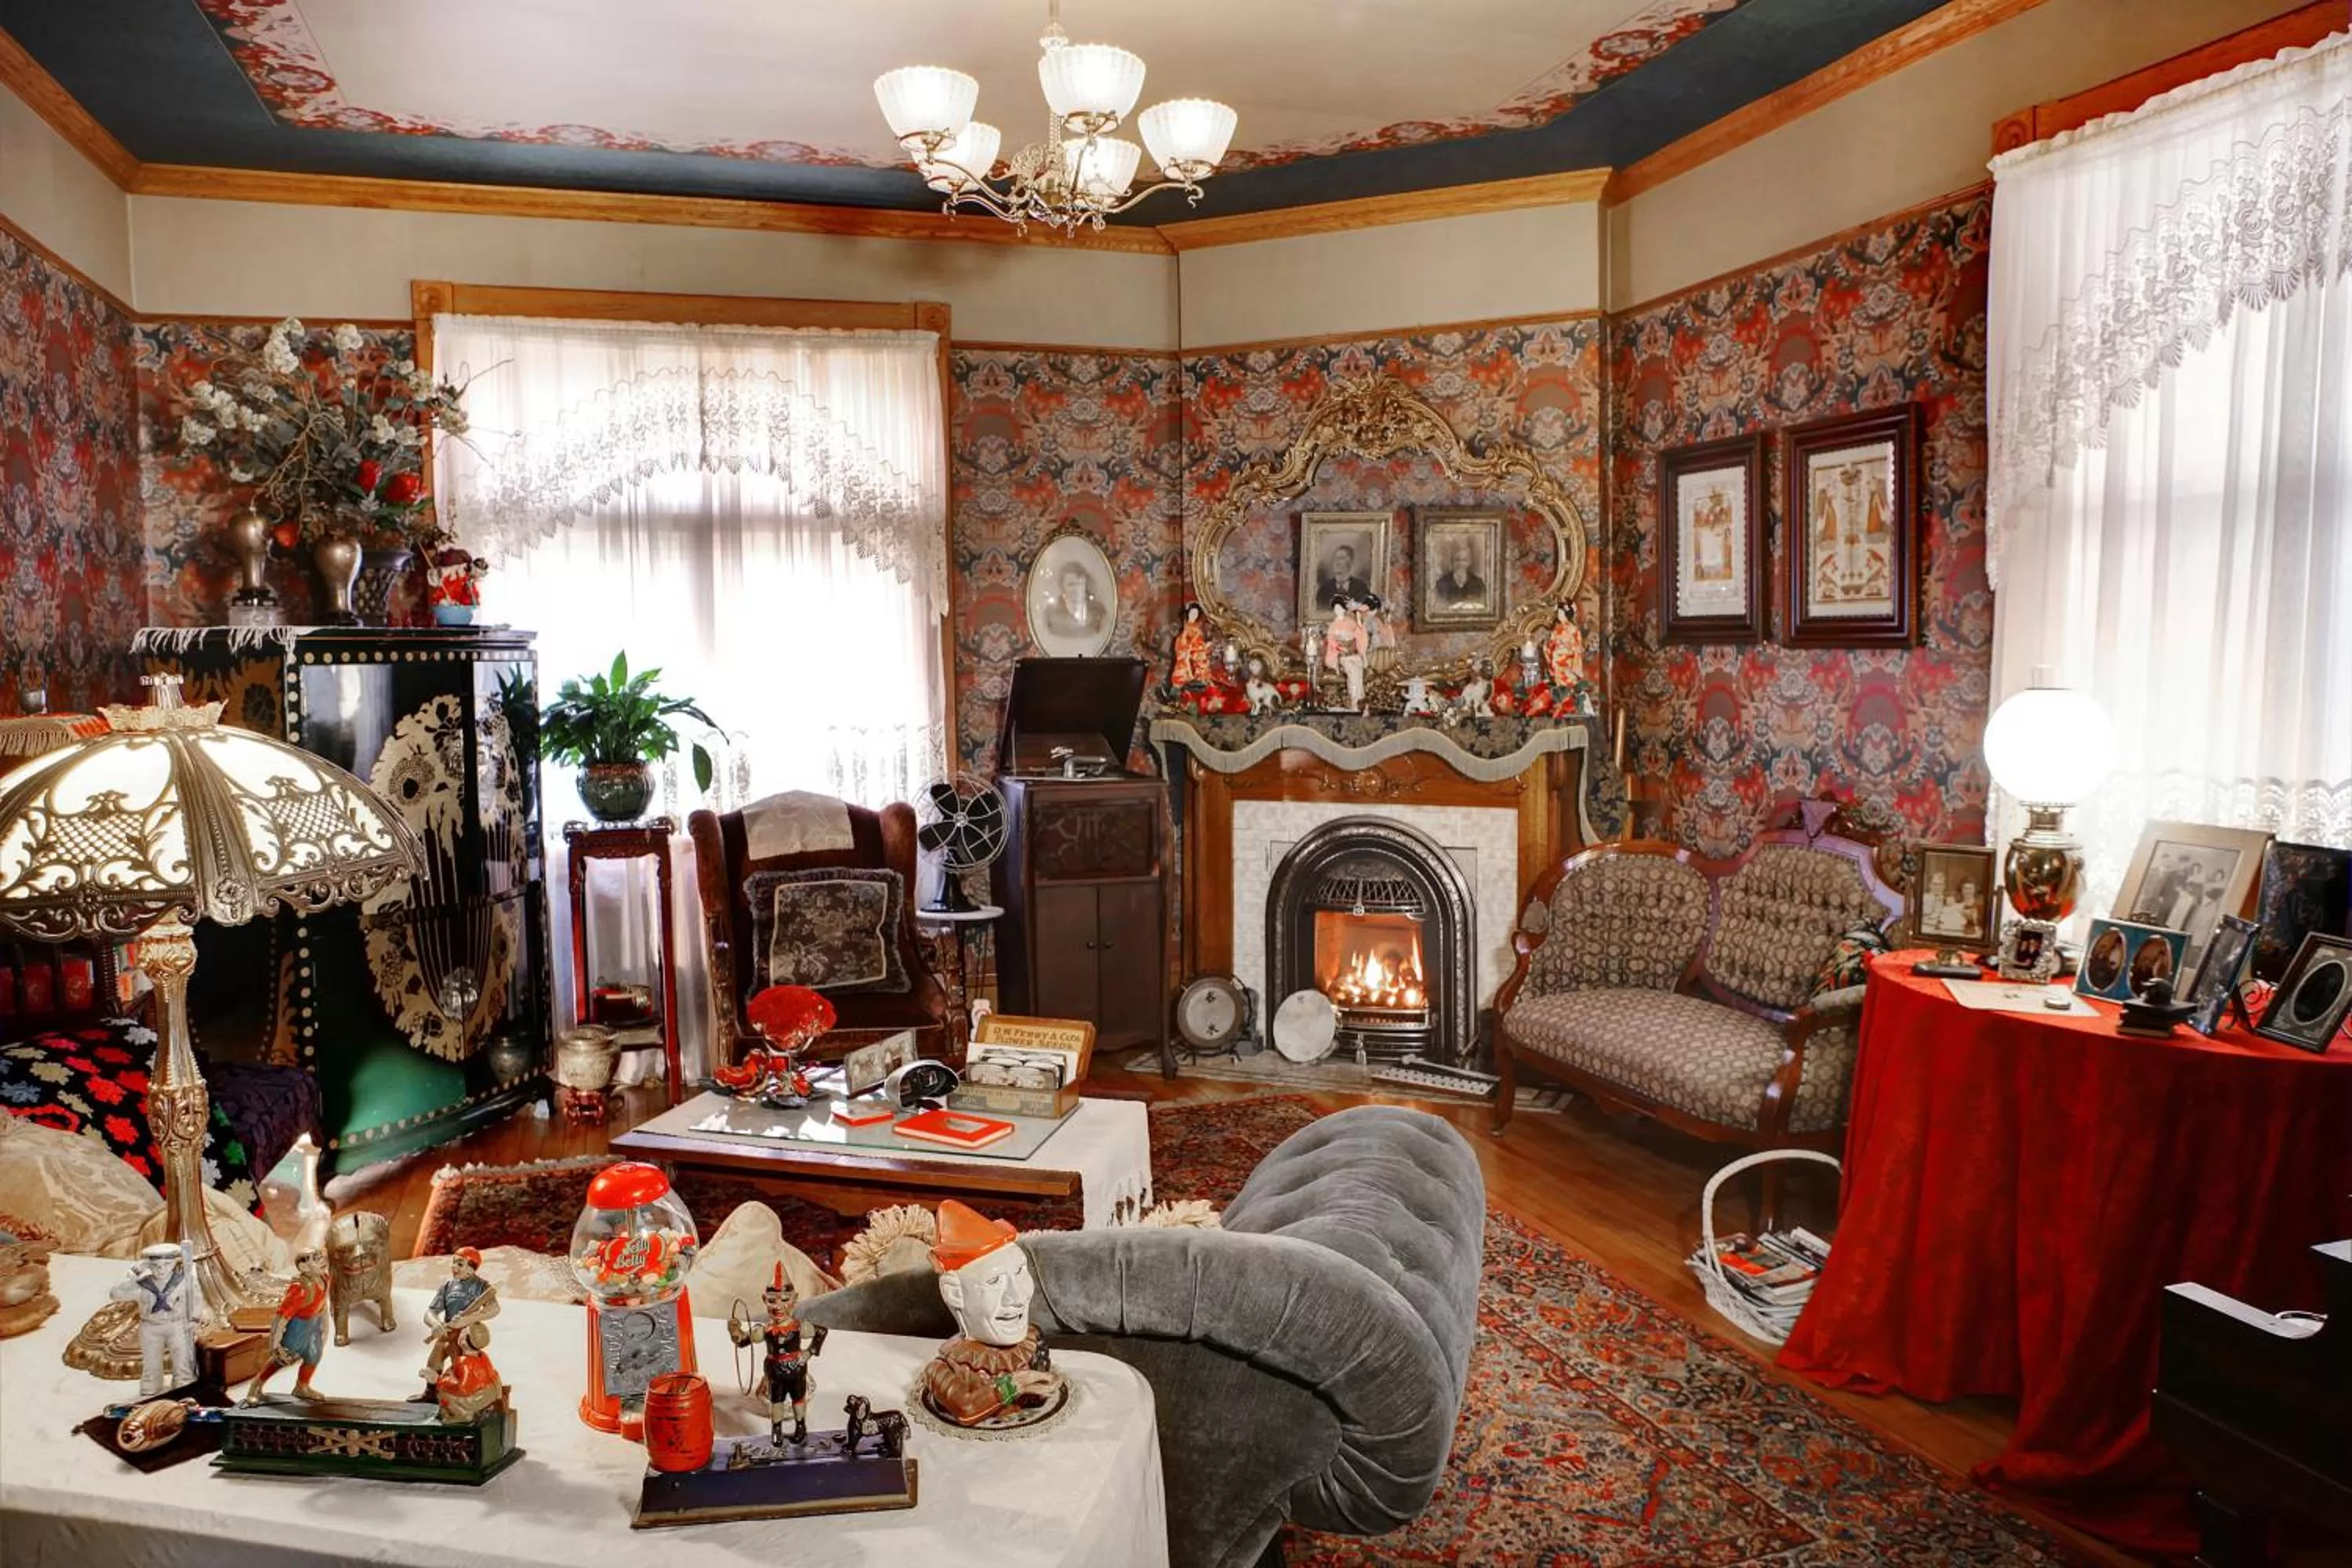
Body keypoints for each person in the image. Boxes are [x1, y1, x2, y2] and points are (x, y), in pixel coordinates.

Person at [923, 1201, 1062, 1427]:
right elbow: (966, 1410)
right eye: (994, 1281)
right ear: (953, 1293)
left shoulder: (1032, 1344)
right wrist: (1014, 1385)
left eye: (1019, 1271)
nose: (1017, 1297)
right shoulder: (943, 1369)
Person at [729, 1263, 827, 1447]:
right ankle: (777, 1430)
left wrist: (809, 1352)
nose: (778, 1307)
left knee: (799, 1399)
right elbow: (743, 1341)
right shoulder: (765, 1330)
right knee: (777, 1401)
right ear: (764, 1300)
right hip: (775, 1371)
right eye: (772, 1300)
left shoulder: (799, 1327)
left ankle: (800, 1428)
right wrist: (735, 1331)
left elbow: (821, 1332)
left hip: (797, 1369)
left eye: (784, 1299)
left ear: (795, 1299)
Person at [242, 1247, 332, 1406]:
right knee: (282, 1358)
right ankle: (256, 1386)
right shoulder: (300, 1289)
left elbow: (323, 1304)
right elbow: (281, 1318)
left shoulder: (325, 1278)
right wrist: (275, 1345)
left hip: (313, 1325)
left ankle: (302, 1386)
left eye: (321, 1256)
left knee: (314, 1356)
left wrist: (325, 1327)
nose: (322, 1260)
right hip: (298, 1328)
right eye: (316, 1258)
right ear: (304, 1267)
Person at [110, 1241, 195, 1397]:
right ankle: (152, 1386)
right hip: (150, 1327)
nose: (161, 1270)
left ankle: (183, 1384)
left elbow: (196, 1298)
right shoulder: (142, 1285)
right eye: (156, 1266)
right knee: (151, 1359)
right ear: (149, 1265)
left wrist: (195, 1319)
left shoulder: (183, 1281)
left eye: (167, 1264)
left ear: (174, 1264)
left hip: (176, 1324)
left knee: (181, 1356)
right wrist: (133, 1274)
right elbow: (115, 1294)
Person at [419, 1247, 501, 1391]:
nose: (454, 1267)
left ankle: (458, 1396)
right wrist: (435, 1324)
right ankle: (431, 1394)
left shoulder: (482, 1287)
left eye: (460, 1264)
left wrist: (468, 1319)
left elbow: (494, 1309)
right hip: (446, 1332)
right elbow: (430, 1312)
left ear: (472, 1269)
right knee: (434, 1361)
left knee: (461, 1367)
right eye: (454, 1263)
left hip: (466, 1337)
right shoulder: (448, 1287)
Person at [1324, 594, 1372, 712]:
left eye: (1339, 608)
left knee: (1358, 666)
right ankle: (1354, 701)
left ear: (1344, 609)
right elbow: (1331, 640)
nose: (1337, 611)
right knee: (1351, 669)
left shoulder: (1350, 622)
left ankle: (1360, 699)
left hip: (1351, 652)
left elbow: (1359, 636)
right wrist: (1340, 648)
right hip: (1339, 654)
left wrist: (1360, 624)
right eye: (1335, 609)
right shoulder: (1333, 625)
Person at [1042, 561, 1108, 642]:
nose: (1076, 589)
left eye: (1079, 584)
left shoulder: (1099, 612)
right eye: (1071, 584)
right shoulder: (1050, 614)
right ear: (1062, 586)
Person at [1314, 542, 1371, 612]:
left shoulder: (1361, 588)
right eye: (1335, 559)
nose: (1337, 562)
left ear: (1351, 562)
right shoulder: (1324, 589)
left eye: (1341, 558)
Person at [1432, 538, 1488, 608]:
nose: (1461, 564)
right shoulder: (1442, 584)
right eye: (1457, 560)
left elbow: (1483, 606)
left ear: (1469, 562)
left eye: (1464, 560)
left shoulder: (1478, 584)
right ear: (1451, 561)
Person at [1170, 602, 1211, 688]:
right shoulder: (1185, 630)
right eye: (1192, 613)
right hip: (1185, 654)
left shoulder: (1197, 630)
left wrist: (1204, 647)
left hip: (1196, 653)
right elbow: (1181, 643)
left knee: (1201, 668)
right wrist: (1187, 649)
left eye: (1195, 614)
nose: (1193, 615)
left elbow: (1199, 643)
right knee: (1182, 671)